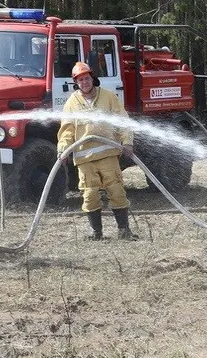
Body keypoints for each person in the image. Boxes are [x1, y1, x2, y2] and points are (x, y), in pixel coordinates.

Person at [57, 61, 137, 241]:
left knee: (116, 190)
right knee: (90, 194)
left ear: (92, 78)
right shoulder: (71, 103)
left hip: (108, 154)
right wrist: (63, 150)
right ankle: (96, 233)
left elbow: (121, 120)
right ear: (75, 83)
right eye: (80, 80)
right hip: (84, 158)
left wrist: (127, 142)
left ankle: (124, 230)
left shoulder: (108, 97)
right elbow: (67, 130)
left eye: (86, 78)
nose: (84, 82)